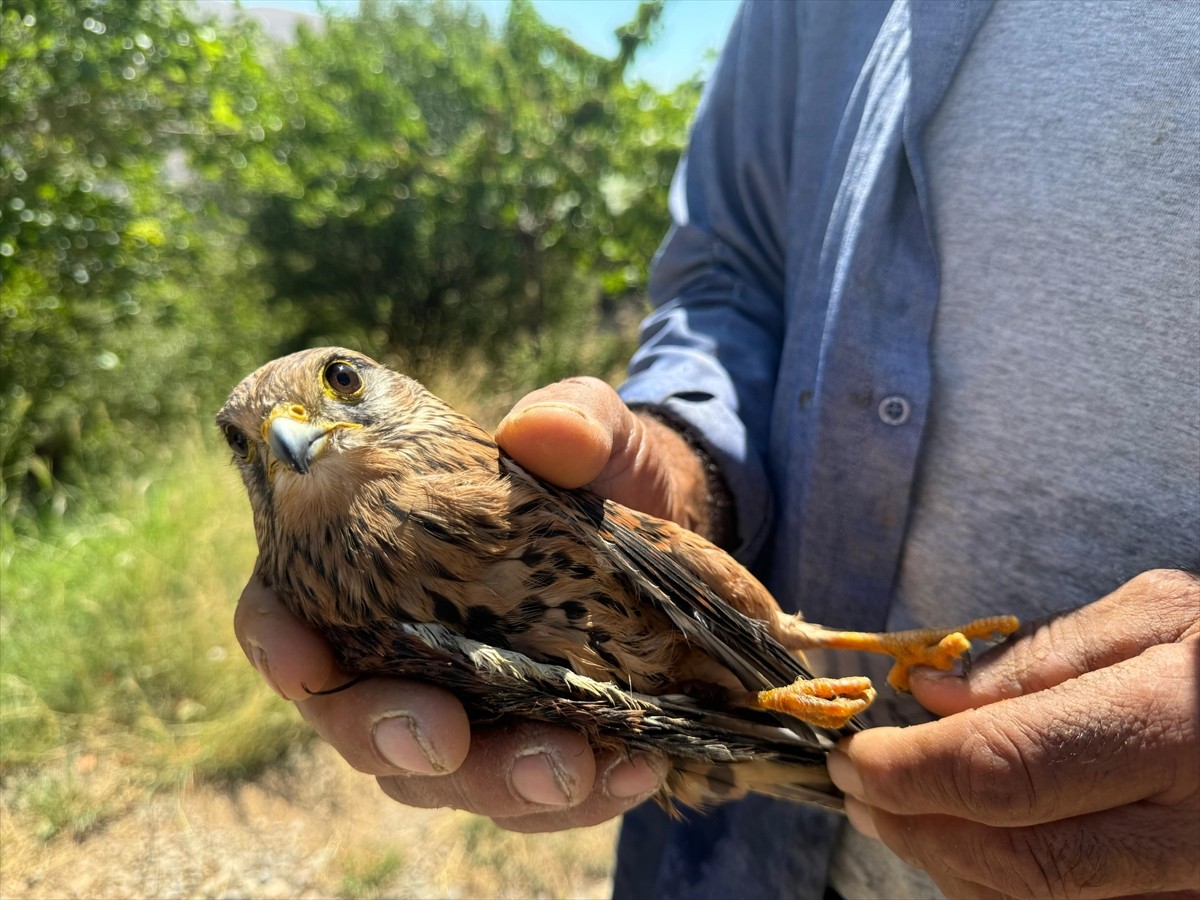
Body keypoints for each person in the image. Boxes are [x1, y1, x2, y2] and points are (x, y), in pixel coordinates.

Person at [233, 1, 1200, 896]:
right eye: (250, 445)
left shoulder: (493, 481)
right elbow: (726, 282)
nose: (292, 431)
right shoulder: (342, 612)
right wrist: (682, 464)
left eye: (340, 383)